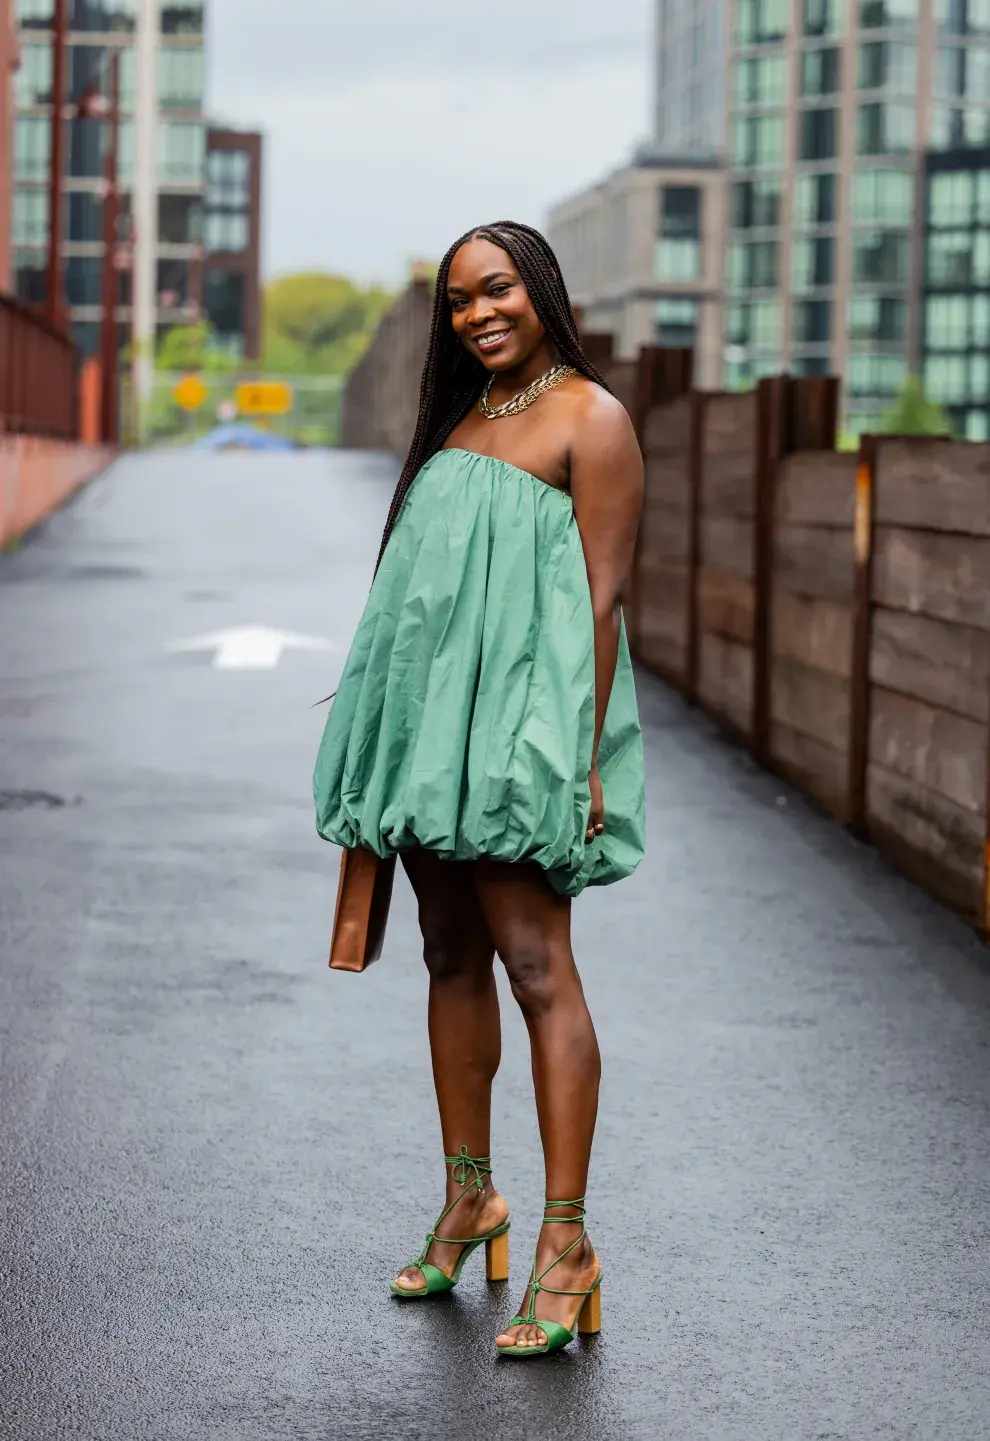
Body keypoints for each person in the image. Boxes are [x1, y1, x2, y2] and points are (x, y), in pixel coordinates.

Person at [313, 221, 645, 1357]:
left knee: (539, 967)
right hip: (427, 744)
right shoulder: (459, 421)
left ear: (542, 288)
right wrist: (375, 736)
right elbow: (411, 606)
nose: (477, 314)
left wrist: (582, 756)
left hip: (520, 739)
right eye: (458, 301)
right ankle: (471, 1198)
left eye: (496, 289)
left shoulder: (592, 420)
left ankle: (567, 1245)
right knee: (448, 955)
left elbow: (599, 604)